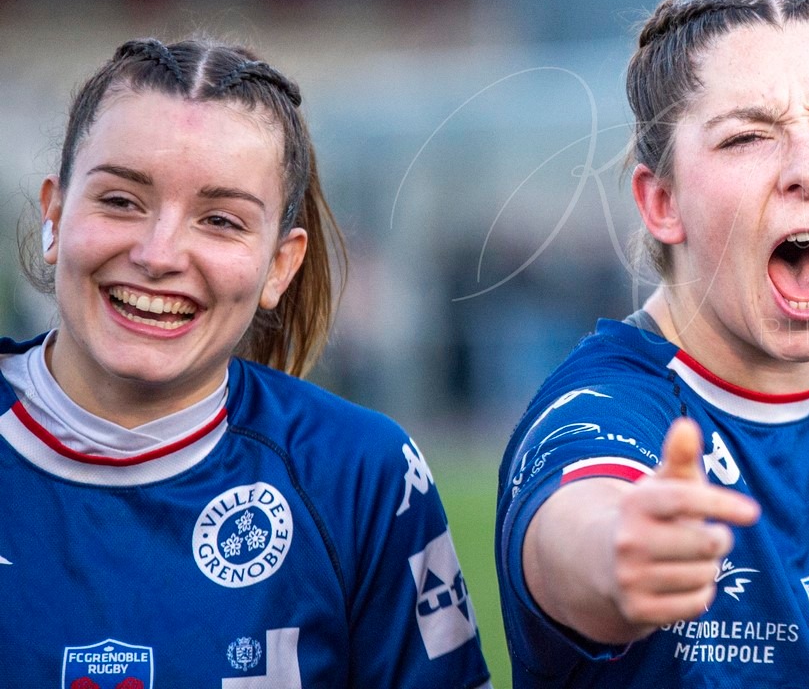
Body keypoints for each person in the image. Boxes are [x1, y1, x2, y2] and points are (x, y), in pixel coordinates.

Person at [495, 0, 809, 688]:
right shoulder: (606, 410)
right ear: (662, 202)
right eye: (748, 137)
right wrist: (621, 549)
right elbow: (579, 520)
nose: (807, 169)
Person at [0, 38, 492, 688]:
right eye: (120, 201)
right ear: (55, 215)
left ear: (280, 266)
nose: (158, 254)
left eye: (221, 220)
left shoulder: (361, 475)